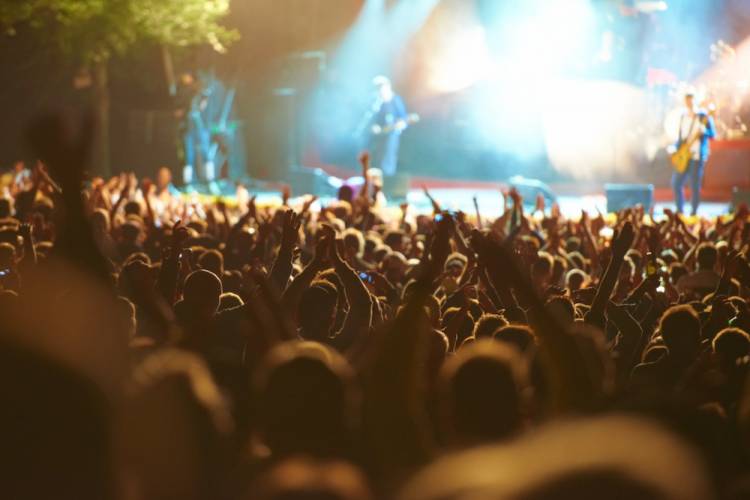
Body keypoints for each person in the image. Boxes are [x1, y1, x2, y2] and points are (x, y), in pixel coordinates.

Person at [671, 91, 716, 215]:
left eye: (691, 100)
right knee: (676, 183)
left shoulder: (703, 116)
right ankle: (679, 211)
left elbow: (713, 134)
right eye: (687, 100)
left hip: (696, 156)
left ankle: (693, 212)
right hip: (684, 155)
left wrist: (704, 132)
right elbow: (682, 138)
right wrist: (675, 148)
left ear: (695, 101)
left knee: (694, 185)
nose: (689, 103)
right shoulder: (683, 117)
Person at [365, 76, 410, 177]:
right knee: (374, 159)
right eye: (377, 87)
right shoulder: (375, 101)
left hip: (391, 134)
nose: (380, 89)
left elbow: (404, 118)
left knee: (388, 159)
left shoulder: (395, 100)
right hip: (376, 136)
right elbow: (371, 118)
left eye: (381, 86)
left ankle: (386, 182)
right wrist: (373, 126)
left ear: (387, 86)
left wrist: (401, 124)